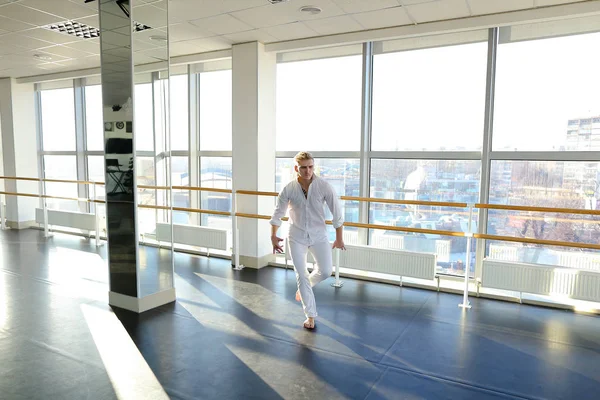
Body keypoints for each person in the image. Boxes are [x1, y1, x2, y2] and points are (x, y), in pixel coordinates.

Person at [270, 151, 345, 330]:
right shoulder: (288, 188)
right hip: (296, 236)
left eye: (310, 166)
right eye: (303, 167)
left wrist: (339, 238)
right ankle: (310, 315)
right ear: (296, 168)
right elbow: (278, 213)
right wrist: (273, 236)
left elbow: (337, 213)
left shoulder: (324, 186)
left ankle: (305, 289)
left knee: (326, 271)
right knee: (301, 274)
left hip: (319, 235)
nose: (307, 171)